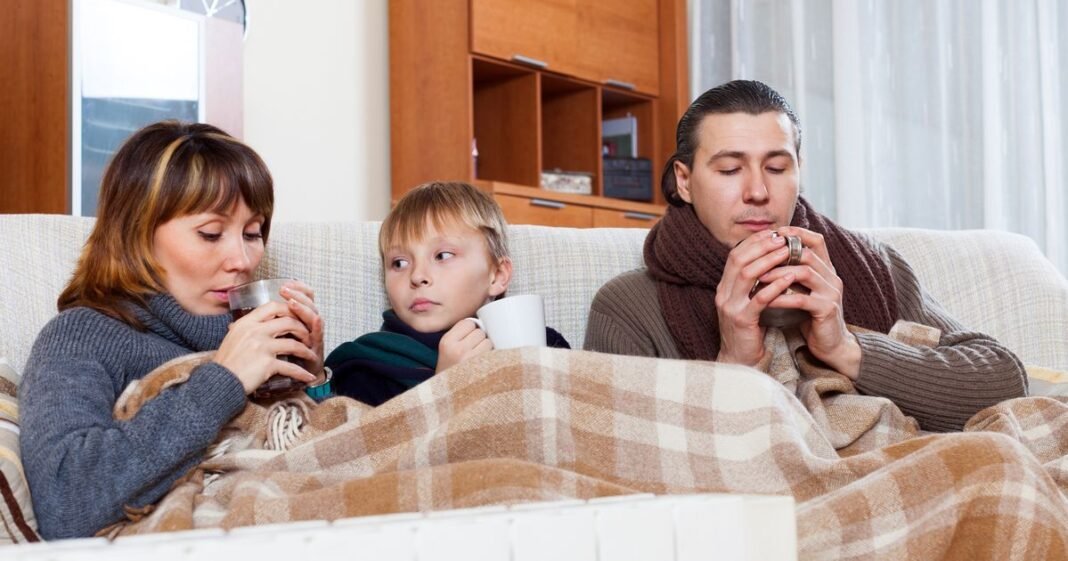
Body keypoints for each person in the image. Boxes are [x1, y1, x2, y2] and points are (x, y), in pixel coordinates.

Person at [584, 80, 1027, 432]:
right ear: (684, 180)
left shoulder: (873, 266)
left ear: (799, 168)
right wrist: (734, 363)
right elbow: (617, 455)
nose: (758, 192)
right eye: (730, 169)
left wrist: (847, 348)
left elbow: (1005, 381)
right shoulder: (628, 307)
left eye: (777, 168)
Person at [18, 121, 330, 539]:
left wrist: (313, 381)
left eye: (252, 233)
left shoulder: (259, 335)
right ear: (138, 234)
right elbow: (66, 499)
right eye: (211, 233)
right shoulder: (81, 336)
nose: (242, 259)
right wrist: (225, 379)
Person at [325, 181, 569, 405]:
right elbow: (373, 449)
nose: (418, 276)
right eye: (399, 263)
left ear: (497, 275)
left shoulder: (547, 345)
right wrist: (443, 390)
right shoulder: (364, 368)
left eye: (442, 256)